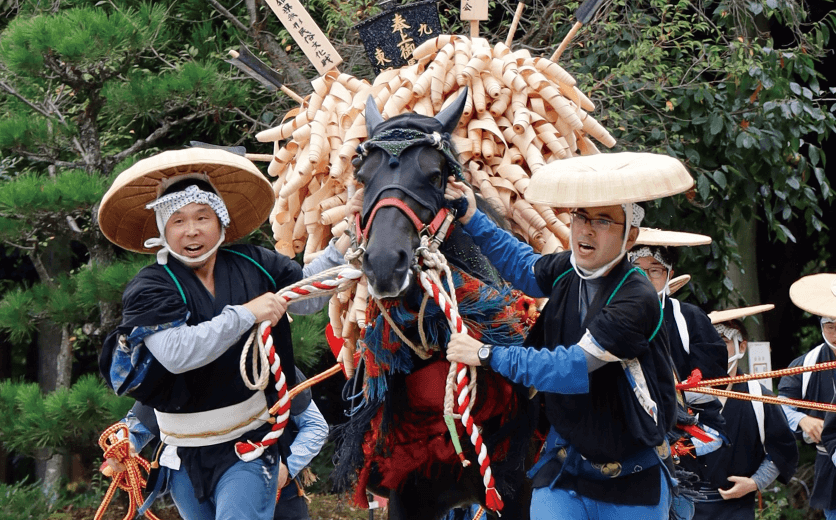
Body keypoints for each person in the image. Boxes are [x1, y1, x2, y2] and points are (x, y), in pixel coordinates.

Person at [97, 148, 353, 520]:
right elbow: (176, 353)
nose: (192, 230)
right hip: (181, 453)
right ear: (163, 232)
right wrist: (247, 314)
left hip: (250, 444)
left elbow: (308, 297)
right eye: (178, 221)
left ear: (220, 221)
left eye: (203, 217)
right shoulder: (150, 286)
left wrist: (348, 241)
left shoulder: (256, 262)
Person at [445, 152, 691, 519]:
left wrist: (486, 354)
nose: (586, 230)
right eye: (580, 217)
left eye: (603, 221)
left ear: (630, 237)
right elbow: (523, 266)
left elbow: (572, 366)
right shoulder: (566, 268)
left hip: (632, 479)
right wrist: (471, 216)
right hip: (565, 468)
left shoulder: (636, 297)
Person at [105, 368, 329, 520]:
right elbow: (138, 426)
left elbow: (316, 426)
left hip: (257, 469)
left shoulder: (266, 358)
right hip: (186, 475)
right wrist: (125, 442)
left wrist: (288, 466)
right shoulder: (175, 361)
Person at [688, 309, 797, 519]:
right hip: (685, 506)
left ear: (742, 346)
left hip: (736, 508)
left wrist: (755, 483)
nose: (716, 348)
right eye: (708, 341)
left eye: (723, 341)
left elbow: (781, 451)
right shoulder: (682, 394)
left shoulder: (759, 397)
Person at [778, 273, 836, 519]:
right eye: (830, 326)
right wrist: (802, 420)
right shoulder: (806, 365)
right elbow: (780, 404)